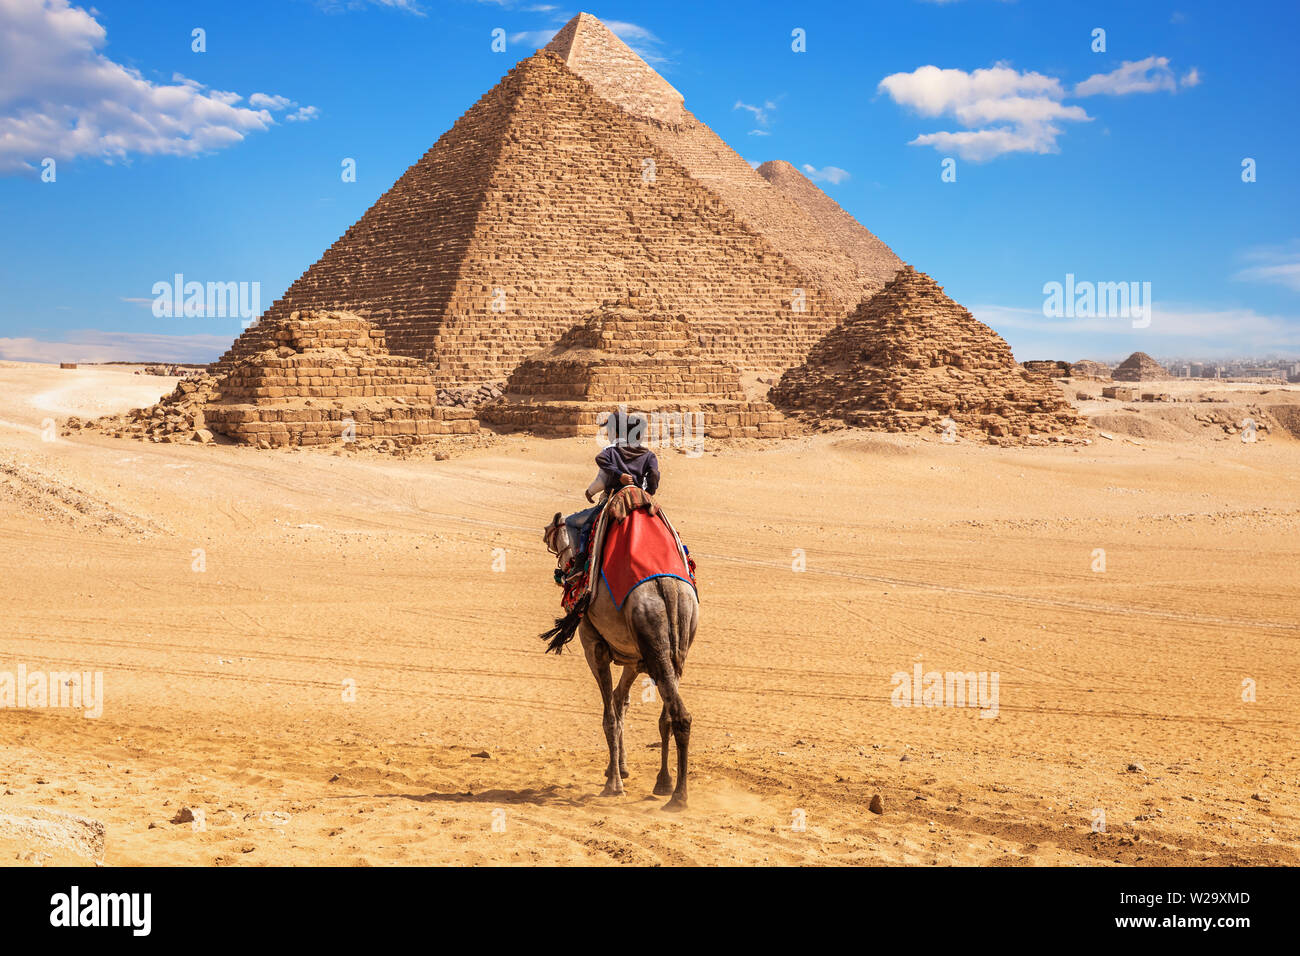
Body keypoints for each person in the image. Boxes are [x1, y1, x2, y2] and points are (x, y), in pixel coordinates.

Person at [562, 410, 660, 569]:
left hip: (616, 498)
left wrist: (616, 476)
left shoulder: (612, 451)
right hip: (641, 499)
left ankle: (579, 565)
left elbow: (601, 474)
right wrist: (649, 493)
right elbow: (654, 474)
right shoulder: (648, 454)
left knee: (579, 524)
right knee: (665, 527)